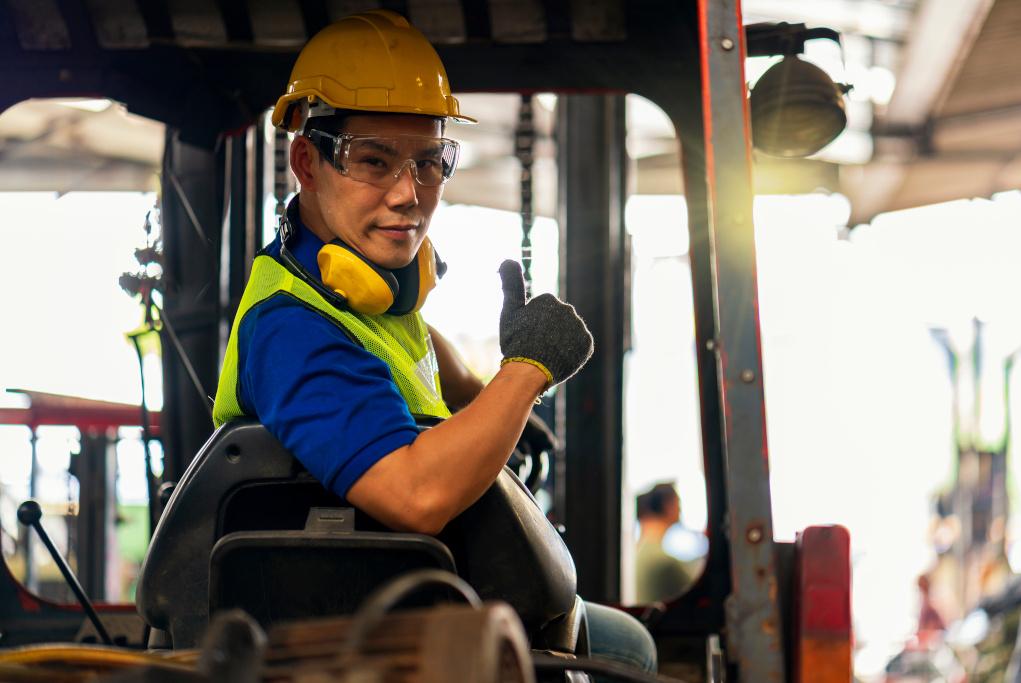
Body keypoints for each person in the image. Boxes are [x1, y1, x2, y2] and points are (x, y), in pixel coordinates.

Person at [211, 9, 656, 674]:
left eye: (428, 162)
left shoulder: (358, 292)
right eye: (373, 161)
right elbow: (415, 494)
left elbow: (411, 356)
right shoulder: (292, 329)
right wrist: (527, 373)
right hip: (359, 639)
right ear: (307, 160)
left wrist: (493, 405)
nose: (408, 195)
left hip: (418, 604)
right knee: (634, 648)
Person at [635, 483, 696, 603]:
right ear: (667, 505)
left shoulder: (640, 550)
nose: (680, 509)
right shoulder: (665, 562)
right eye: (678, 502)